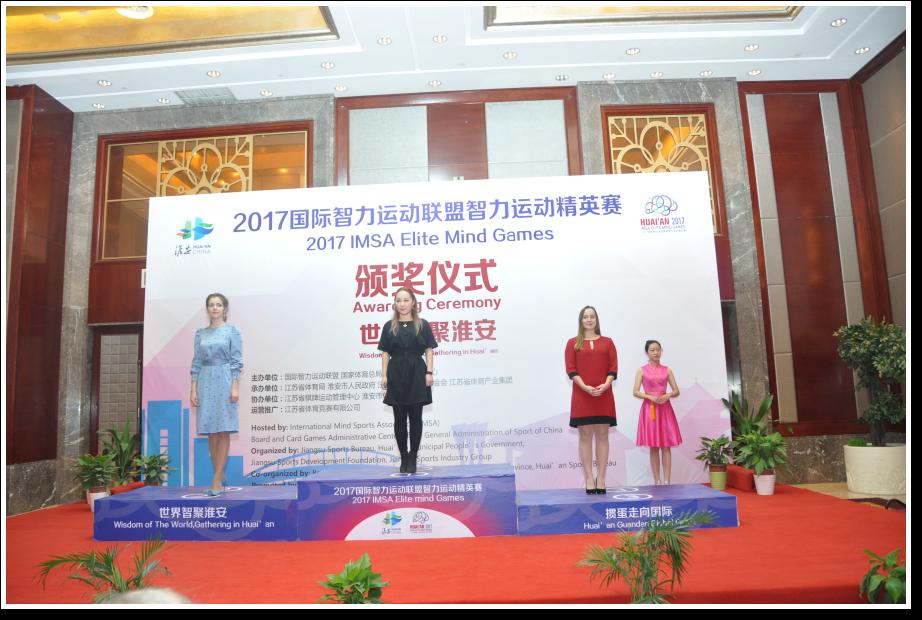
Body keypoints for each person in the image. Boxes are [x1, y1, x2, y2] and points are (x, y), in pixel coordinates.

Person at [378, 287, 437, 474]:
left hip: (417, 373)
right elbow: (385, 353)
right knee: (399, 419)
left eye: (405, 300)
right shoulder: (389, 326)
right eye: (398, 300)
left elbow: (429, 350)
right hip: (396, 373)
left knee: (416, 418)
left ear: (413, 302)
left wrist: (429, 372)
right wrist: (384, 375)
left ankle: (413, 457)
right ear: (395, 304)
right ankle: (403, 455)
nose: (402, 304)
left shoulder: (422, 324)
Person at [190, 293, 243, 496]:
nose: (215, 308)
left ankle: (216, 481)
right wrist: (193, 388)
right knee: (211, 431)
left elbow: (237, 360)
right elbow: (196, 362)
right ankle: (218, 476)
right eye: (211, 305)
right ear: (207, 309)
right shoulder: (200, 334)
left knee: (223, 431)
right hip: (205, 381)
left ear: (225, 309)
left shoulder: (232, 331)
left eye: (218, 305)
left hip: (225, 379)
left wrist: (235, 386)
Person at [565, 306, 618, 494]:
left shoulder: (608, 342)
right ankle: (589, 477)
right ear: (581, 320)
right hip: (582, 395)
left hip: (604, 394)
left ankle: (601, 478)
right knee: (585, 436)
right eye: (585, 317)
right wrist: (585, 387)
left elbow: (613, 368)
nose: (589, 320)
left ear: (596, 319)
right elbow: (571, 369)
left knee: (603, 436)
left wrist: (606, 384)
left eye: (592, 316)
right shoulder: (573, 343)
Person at [633, 340, 683, 485]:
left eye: (658, 350)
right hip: (650, 409)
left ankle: (667, 481)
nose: (656, 353)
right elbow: (635, 391)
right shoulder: (641, 370)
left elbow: (676, 390)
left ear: (661, 351)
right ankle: (657, 481)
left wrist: (667, 395)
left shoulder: (667, 370)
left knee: (666, 445)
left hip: (665, 409)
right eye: (652, 350)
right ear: (647, 352)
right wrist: (649, 397)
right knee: (653, 446)